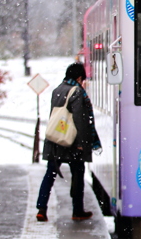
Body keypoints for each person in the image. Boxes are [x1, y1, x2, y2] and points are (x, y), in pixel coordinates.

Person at [36, 62, 101, 221]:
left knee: (49, 175)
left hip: (55, 139)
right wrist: (81, 143)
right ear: (79, 78)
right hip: (71, 142)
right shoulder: (77, 92)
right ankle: (77, 210)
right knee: (78, 175)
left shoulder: (57, 90)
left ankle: (41, 209)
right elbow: (80, 119)